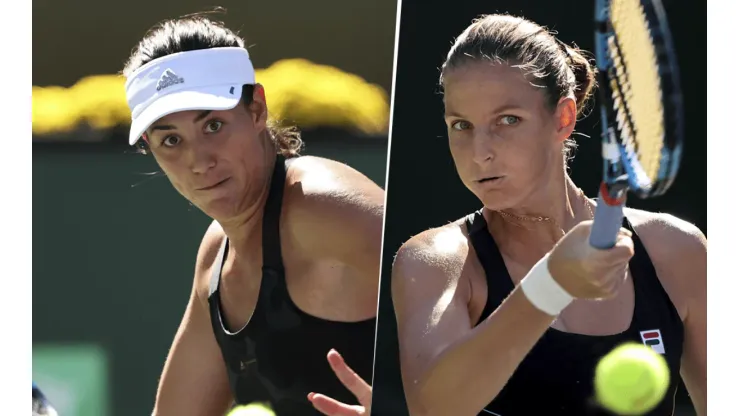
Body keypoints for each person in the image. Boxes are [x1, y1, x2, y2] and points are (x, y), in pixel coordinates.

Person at [390, 14, 706, 416]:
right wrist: (550, 284)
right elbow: (433, 407)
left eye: (508, 120)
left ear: (563, 118)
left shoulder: (677, 251)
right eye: (461, 124)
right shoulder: (436, 262)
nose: (479, 151)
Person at [122, 15, 382, 416]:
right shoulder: (216, 255)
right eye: (170, 139)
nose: (198, 161)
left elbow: (486, 296)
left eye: (213, 125)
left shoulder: (323, 207)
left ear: (257, 109)